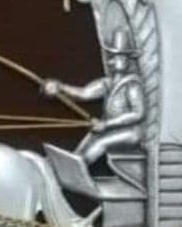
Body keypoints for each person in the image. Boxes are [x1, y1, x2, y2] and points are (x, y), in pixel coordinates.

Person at [42, 26, 146, 164]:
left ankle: (78, 169)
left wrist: (106, 124)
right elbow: (84, 93)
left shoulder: (131, 85)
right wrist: (61, 87)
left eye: (121, 57)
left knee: (100, 143)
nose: (116, 60)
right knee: (86, 142)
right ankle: (72, 165)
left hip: (130, 132)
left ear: (128, 61)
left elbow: (138, 114)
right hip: (108, 128)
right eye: (114, 57)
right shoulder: (107, 83)